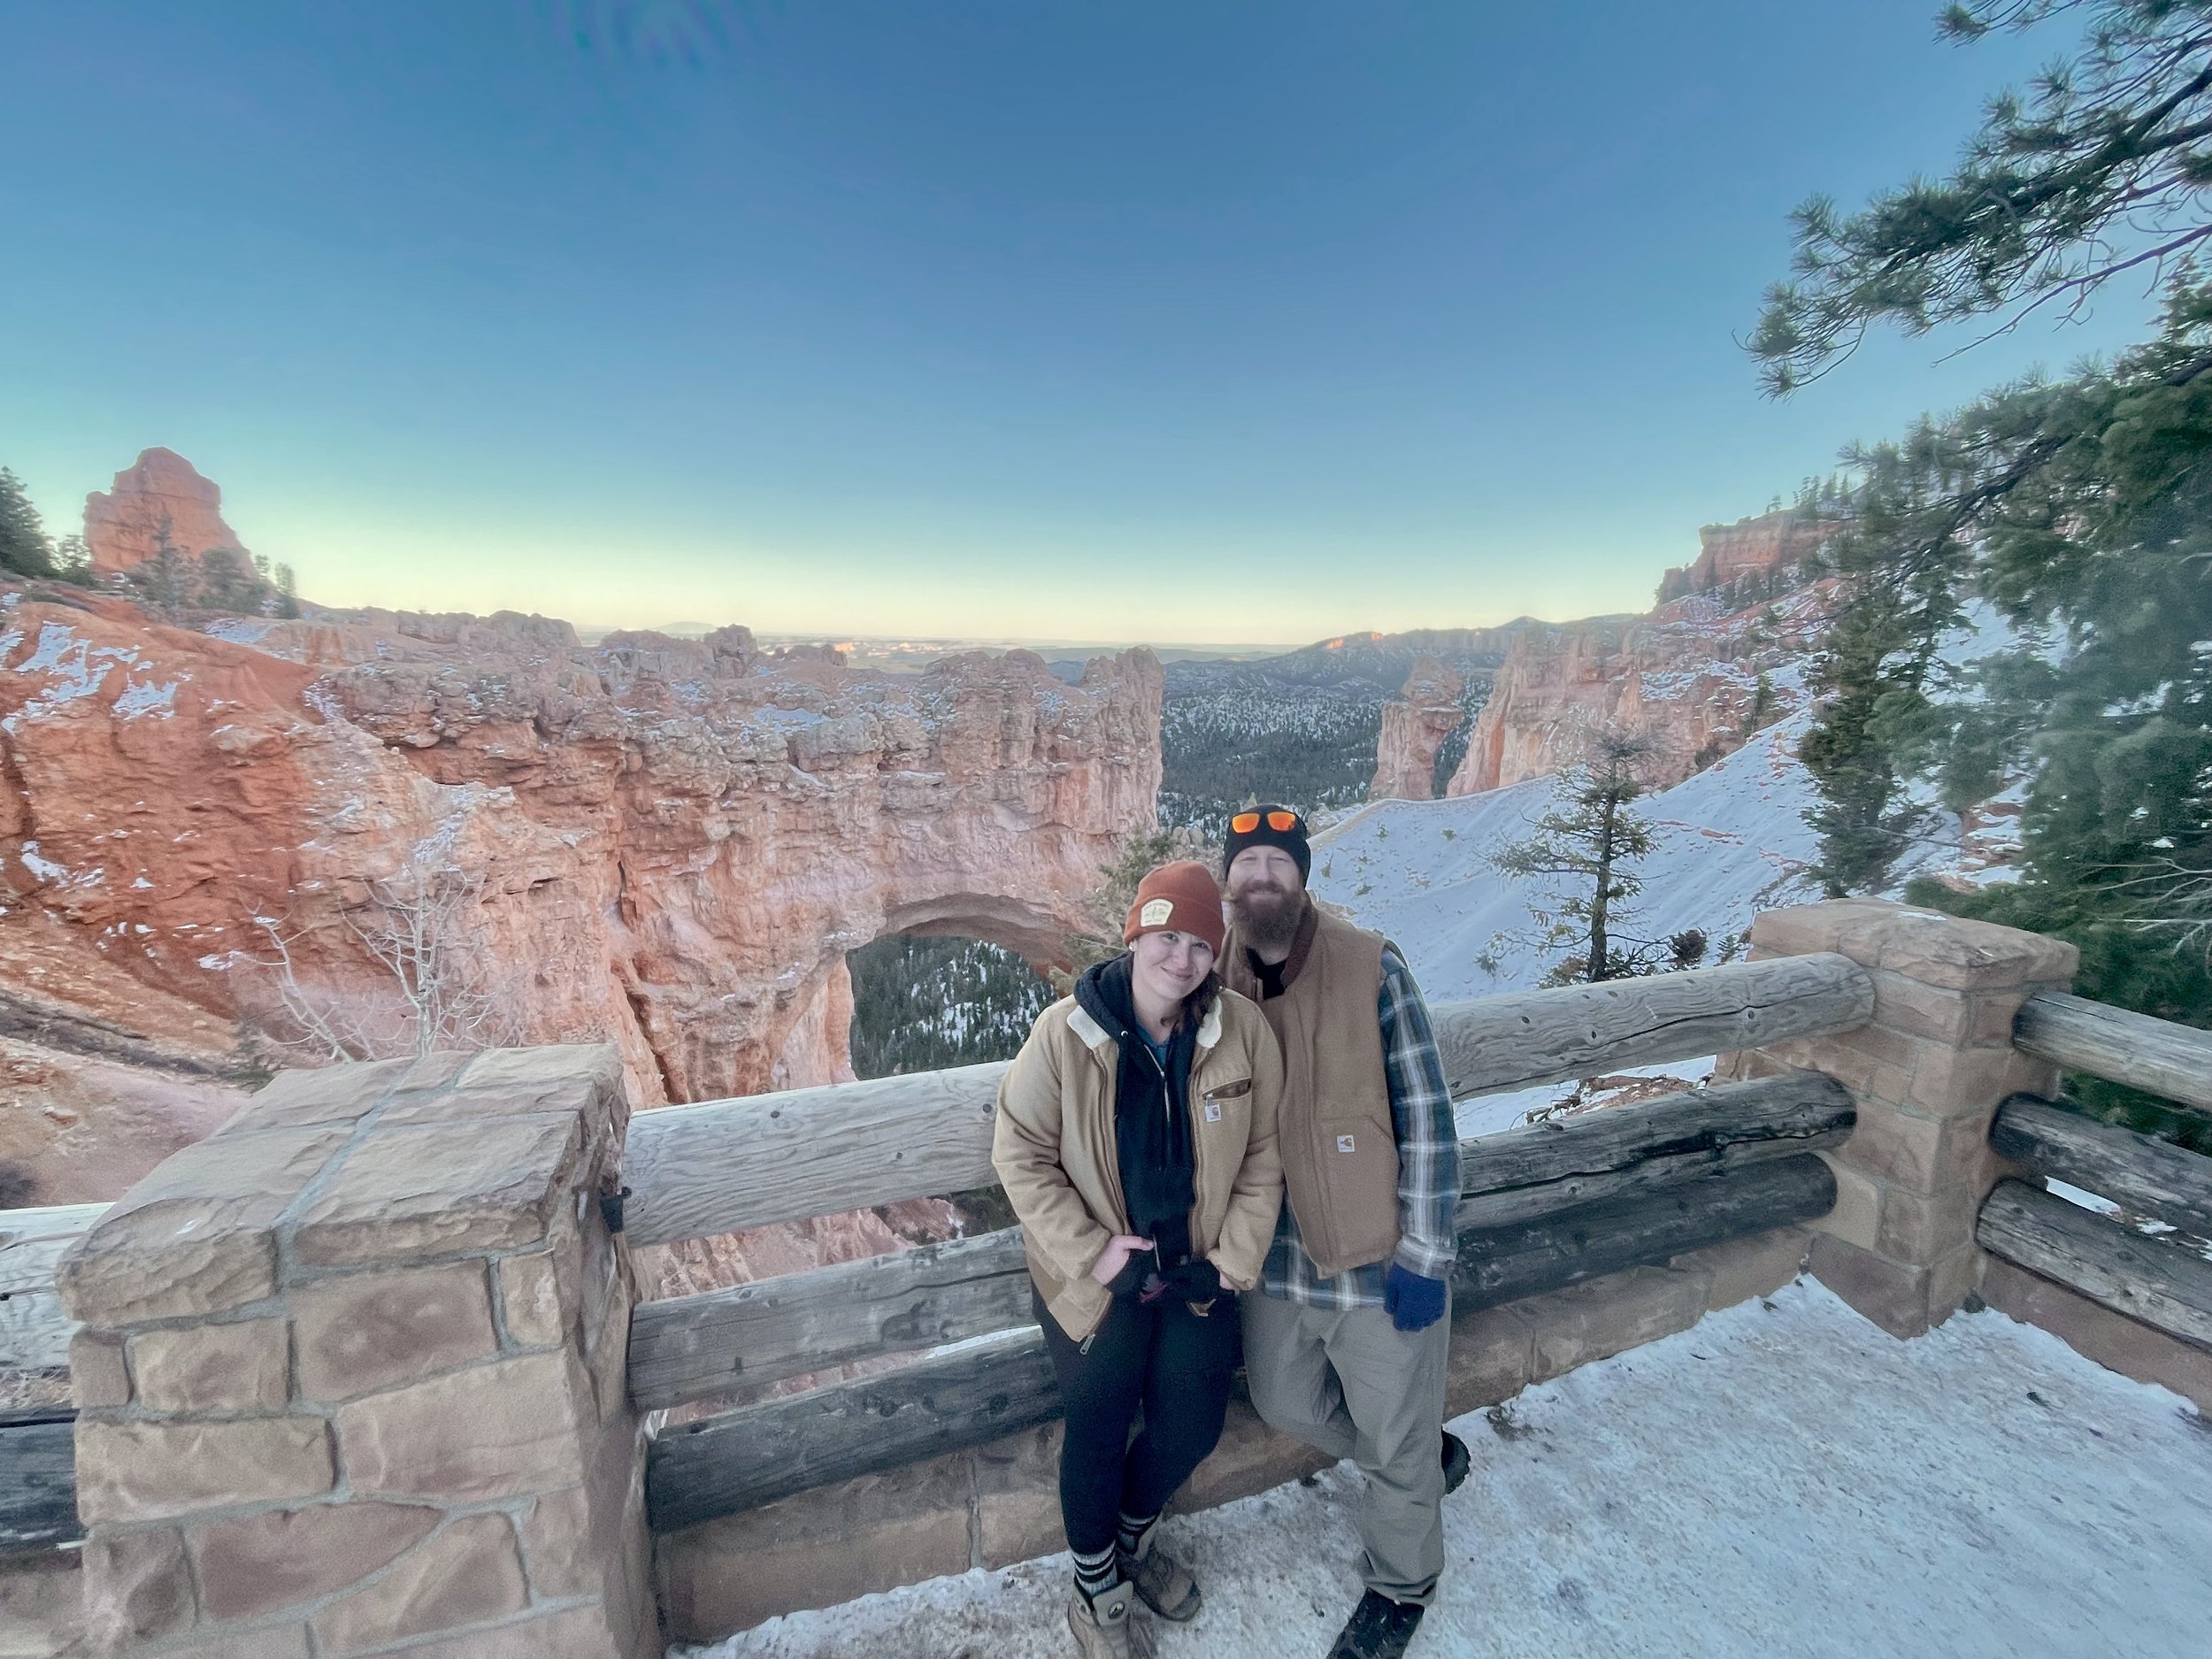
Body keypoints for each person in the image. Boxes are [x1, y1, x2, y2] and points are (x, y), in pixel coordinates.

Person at [993, 859, 1286, 1659]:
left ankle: (1127, 1541)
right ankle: (1097, 1591)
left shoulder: (1240, 1033)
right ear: (1135, 936)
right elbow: (1018, 1152)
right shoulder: (1067, 1032)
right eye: (1166, 936)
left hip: (1196, 1269)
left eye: (1199, 943)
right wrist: (1093, 1254)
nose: (1181, 958)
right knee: (1098, 1414)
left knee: (1192, 1423)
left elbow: (1263, 1153)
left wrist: (1234, 1257)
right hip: (1095, 1276)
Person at [1219, 806, 1466, 1659]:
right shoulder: (1212, 972)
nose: (1262, 877)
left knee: (1394, 1430)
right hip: (1276, 1255)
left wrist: (1426, 1255)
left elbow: (1429, 1118)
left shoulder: (1372, 968)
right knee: (1283, 1398)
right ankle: (1421, 1464)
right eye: (1246, 862)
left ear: (1301, 877)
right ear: (1228, 880)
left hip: (1373, 1250)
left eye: (1277, 863)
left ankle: (1403, 1581)